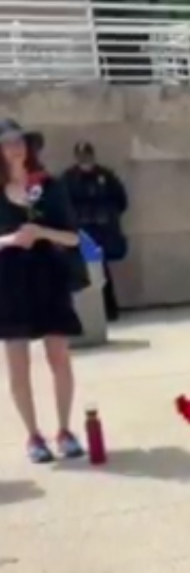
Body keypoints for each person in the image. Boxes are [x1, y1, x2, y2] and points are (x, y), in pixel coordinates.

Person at [0, 119, 86, 463]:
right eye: (6, 143)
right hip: (9, 282)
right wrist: (9, 239)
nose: (14, 148)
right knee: (18, 365)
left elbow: (74, 237)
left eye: (18, 141)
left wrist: (42, 232)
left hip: (49, 278)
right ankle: (33, 436)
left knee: (58, 357)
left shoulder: (50, 186)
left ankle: (65, 430)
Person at [62, 141, 128, 321]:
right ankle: (85, 314)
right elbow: (63, 205)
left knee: (102, 273)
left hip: (103, 232)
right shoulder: (68, 178)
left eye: (88, 155)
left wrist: (107, 216)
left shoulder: (106, 176)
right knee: (83, 274)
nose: (85, 160)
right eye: (81, 156)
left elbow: (121, 201)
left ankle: (109, 310)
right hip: (82, 233)